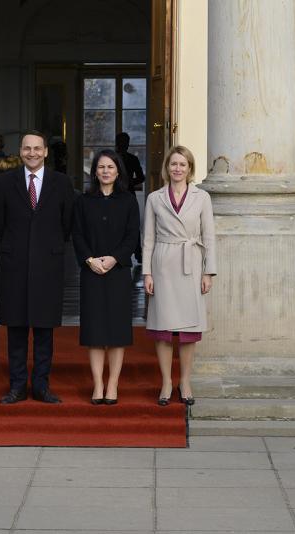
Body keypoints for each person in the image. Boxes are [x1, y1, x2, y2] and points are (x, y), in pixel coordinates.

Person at [0, 130, 75, 404]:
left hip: (48, 266)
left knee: (43, 331)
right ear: (20, 151)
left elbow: (66, 224)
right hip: (14, 265)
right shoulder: (4, 182)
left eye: (37, 148)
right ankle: (17, 387)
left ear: (46, 152)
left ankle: (41, 386)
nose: (32, 153)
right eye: (27, 148)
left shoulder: (61, 183)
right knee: (15, 330)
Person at [142, 145, 216, 406]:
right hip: (163, 264)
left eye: (182, 164)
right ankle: (166, 381)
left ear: (190, 168)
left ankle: (185, 380)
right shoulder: (154, 198)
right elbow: (148, 238)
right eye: (173, 164)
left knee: (188, 330)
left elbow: (209, 237)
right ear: (167, 168)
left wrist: (209, 271)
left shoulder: (202, 197)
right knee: (162, 328)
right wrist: (147, 272)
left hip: (191, 263)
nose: (177, 169)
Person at [72, 149, 140, 405]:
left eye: (110, 167)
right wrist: (90, 260)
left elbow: (132, 236)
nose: (105, 171)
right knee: (95, 332)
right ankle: (98, 384)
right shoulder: (83, 201)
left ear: (118, 171)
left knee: (117, 332)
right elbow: (76, 234)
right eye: (101, 167)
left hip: (118, 273)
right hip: (91, 273)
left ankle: (113, 384)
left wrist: (113, 259)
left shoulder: (128, 200)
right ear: (94, 171)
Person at [116, 132, 146, 263]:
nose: (123, 145)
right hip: (115, 194)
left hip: (128, 193)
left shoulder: (133, 159)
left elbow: (141, 177)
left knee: (132, 223)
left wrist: (130, 182)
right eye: (121, 142)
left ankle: (137, 252)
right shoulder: (112, 158)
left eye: (125, 142)